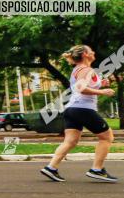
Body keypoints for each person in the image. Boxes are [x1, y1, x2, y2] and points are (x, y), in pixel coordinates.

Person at [41, 45, 117, 183]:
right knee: (107, 137)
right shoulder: (85, 69)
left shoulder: (81, 69)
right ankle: (97, 169)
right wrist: (103, 92)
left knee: (70, 141)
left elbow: (88, 84)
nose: (93, 52)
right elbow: (82, 88)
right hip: (83, 109)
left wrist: (107, 82)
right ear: (85, 55)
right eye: (90, 51)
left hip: (72, 109)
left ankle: (51, 167)